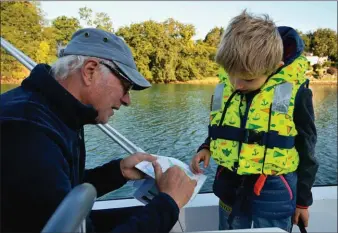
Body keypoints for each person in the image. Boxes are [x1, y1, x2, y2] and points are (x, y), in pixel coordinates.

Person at [1, 28, 197, 232]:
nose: (127, 101)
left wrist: (118, 172)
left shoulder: (55, 114)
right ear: (90, 71)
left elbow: (54, 190)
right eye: (126, 86)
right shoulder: (26, 130)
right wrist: (168, 204)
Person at [190, 10, 318, 232]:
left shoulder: (295, 93)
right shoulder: (226, 86)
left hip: (274, 188)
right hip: (229, 183)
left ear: (275, 68)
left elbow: (307, 148)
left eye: (248, 79)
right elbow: (222, 125)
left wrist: (303, 201)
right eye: (232, 74)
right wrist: (207, 145)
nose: (237, 84)